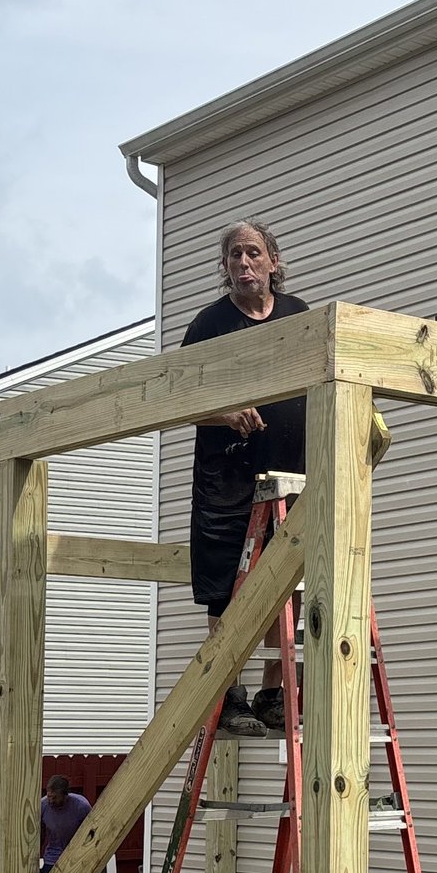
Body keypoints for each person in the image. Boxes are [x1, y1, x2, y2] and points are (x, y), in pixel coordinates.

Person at [183, 220, 309, 736]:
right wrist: (226, 413)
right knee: (226, 593)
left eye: (253, 253)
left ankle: (272, 695)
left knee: (285, 588)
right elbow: (178, 398)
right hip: (226, 481)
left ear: (273, 261)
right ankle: (229, 696)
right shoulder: (210, 325)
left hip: (289, 476)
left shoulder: (298, 315)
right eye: (234, 255)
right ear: (225, 266)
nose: (243, 263)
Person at [39, 770, 94, 873]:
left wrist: (89, 861)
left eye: (55, 797)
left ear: (65, 795)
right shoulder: (43, 806)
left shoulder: (81, 806)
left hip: (76, 857)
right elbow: (39, 834)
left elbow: (92, 834)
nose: (51, 800)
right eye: (49, 796)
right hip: (52, 857)